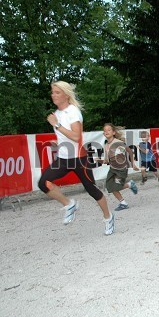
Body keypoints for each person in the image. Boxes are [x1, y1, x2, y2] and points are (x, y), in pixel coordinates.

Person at [38, 81, 115, 235]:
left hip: (79, 158)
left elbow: (75, 136)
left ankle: (108, 217)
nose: (53, 95)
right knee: (43, 183)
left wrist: (57, 125)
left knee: (92, 190)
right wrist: (58, 143)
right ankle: (69, 204)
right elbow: (65, 137)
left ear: (66, 95)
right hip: (64, 158)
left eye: (57, 92)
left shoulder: (73, 111)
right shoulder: (57, 114)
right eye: (52, 92)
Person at [101, 123, 139, 211]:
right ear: (103, 134)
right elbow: (107, 160)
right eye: (105, 130)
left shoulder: (118, 142)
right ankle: (123, 202)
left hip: (121, 169)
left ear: (114, 132)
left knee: (116, 186)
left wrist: (133, 164)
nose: (106, 131)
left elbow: (130, 152)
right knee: (110, 187)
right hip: (112, 169)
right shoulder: (106, 145)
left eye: (109, 130)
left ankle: (129, 186)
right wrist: (99, 161)